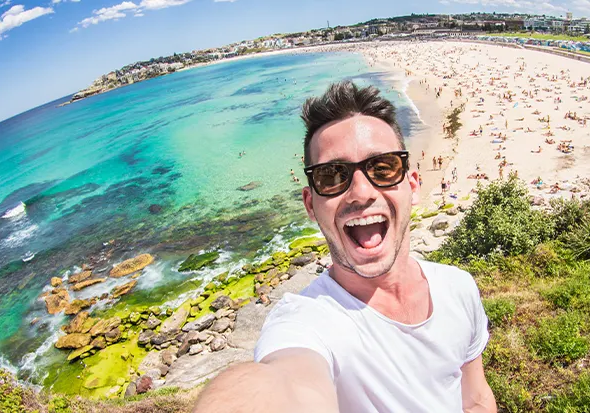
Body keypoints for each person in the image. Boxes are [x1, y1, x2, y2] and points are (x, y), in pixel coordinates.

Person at [195, 81, 495, 413]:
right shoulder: (306, 323)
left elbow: (476, 398)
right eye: (332, 175)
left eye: (383, 168)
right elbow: (282, 383)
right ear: (310, 205)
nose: (361, 192)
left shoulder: (459, 288)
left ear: (412, 185)